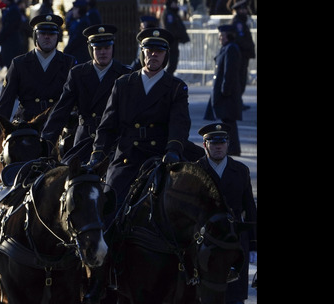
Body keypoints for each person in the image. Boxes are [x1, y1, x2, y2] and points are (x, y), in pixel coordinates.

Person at [87, 27, 191, 214]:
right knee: (109, 203)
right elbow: (108, 125)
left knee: (181, 206)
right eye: (149, 50)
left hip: (160, 155)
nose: (153, 55)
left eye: (159, 51)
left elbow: (180, 123)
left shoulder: (176, 87)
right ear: (142, 52)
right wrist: (98, 153)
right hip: (127, 154)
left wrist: (174, 149)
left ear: (166, 55)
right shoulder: (123, 84)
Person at [195, 123, 257, 304]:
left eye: (222, 143)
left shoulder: (240, 170)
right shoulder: (195, 170)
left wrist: (253, 245)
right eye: (213, 143)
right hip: (205, 240)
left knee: (235, 294)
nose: (218, 147)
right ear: (205, 145)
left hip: (234, 242)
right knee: (205, 292)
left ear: (228, 145)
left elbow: (250, 209)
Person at [41, 24, 131, 165]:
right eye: (98, 49)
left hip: (115, 138)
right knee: (67, 175)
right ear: (91, 50)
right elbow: (62, 110)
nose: (103, 52)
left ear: (113, 49)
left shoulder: (125, 74)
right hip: (85, 138)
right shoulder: (78, 74)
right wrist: (46, 140)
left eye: (107, 48)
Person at [0, 13, 75, 125]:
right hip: (26, 124)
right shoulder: (19, 63)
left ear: (58, 37)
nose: (47, 37)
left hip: (58, 124)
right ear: (35, 36)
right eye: (42, 33)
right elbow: (5, 103)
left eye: (52, 34)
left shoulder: (69, 63)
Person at [202, 24, 243, 156]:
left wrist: (225, 90)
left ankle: (233, 149)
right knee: (227, 120)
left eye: (222, 35)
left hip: (227, 92)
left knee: (229, 121)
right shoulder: (227, 48)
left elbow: (229, 72)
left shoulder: (231, 48)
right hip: (224, 91)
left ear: (229, 35)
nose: (220, 38)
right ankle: (232, 148)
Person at [0, 0, 26, 71]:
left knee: (12, 67)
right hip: (9, 41)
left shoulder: (13, 10)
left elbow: (8, 27)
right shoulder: (10, 8)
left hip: (12, 42)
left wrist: (0, 38)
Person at [160, 0, 191, 76]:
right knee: (171, 64)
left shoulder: (173, 13)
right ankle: (166, 80)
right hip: (171, 42)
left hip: (174, 42)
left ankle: (167, 79)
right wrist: (177, 35)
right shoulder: (169, 14)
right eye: (175, 3)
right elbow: (170, 28)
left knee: (173, 63)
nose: (176, 5)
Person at [63, 0, 92, 65]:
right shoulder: (77, 21)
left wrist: (66, 50)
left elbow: (75, 40)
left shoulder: (83, 22)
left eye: (75, 9)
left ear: (80, 10)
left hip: (80, 55)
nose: (73, 11)